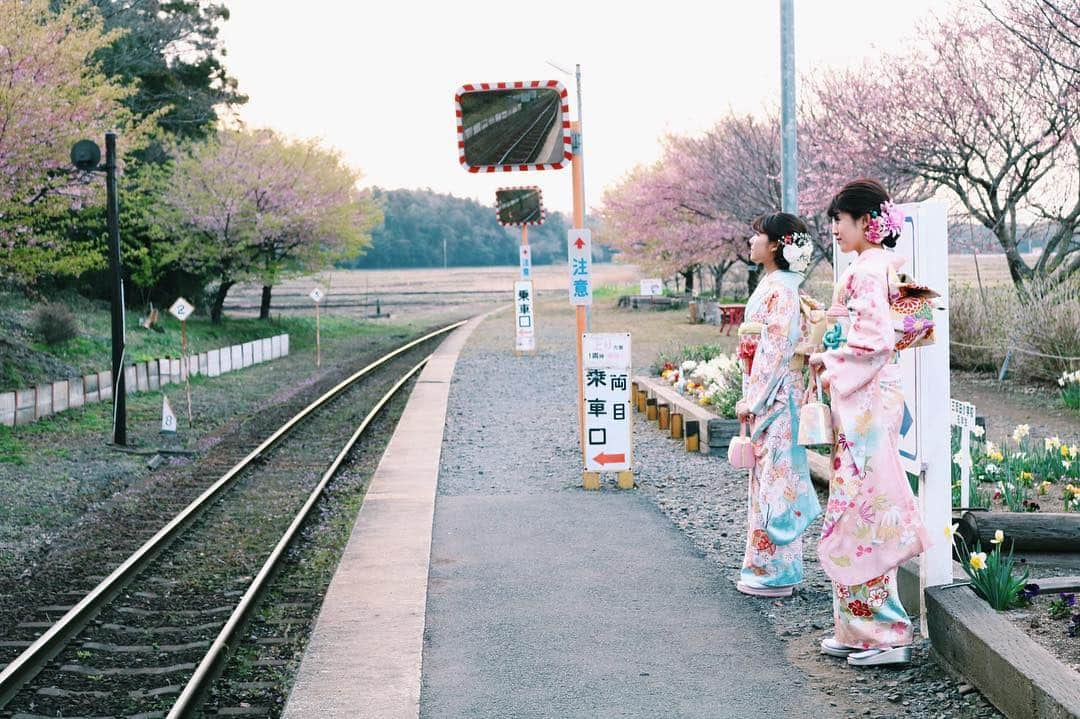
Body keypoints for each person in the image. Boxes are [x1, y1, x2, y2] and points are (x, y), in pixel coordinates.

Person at [809, 179, 931, 667]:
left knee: (862, 507)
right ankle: (857, 628)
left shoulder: (867, 270)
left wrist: (828, 355)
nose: (834, 229)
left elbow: (874, 341)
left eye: (839, 219)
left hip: (866, 401)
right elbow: (897, 331)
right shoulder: (882, 267)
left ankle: (886, 633)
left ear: (864, 221)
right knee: (858, 504)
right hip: (874, 397)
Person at [734, 212, 822, 598]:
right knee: (769, 478)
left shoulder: (783, 290)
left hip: (777, 395)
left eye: (757, 237)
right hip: (771, 394)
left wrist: (753, 398)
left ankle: (776, 573)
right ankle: (766, 568)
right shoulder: (775, 284)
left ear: (775, 246)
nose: (750, 243)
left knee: (778, 480)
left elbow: (776, 349)